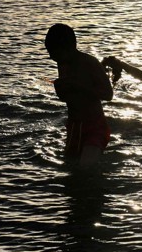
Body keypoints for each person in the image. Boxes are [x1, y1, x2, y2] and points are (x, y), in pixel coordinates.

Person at [46, 23, 113, 165]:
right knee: (71, 168)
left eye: (54, 53)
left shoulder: (90, 63)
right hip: (75, 126)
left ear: (68, 48)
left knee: (85, 168)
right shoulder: (63, 64)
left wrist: (81, 87)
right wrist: (60, 89)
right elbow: (67, 98)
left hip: (95, 126)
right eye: (49, 53)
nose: (51, 57)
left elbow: (108, 94)